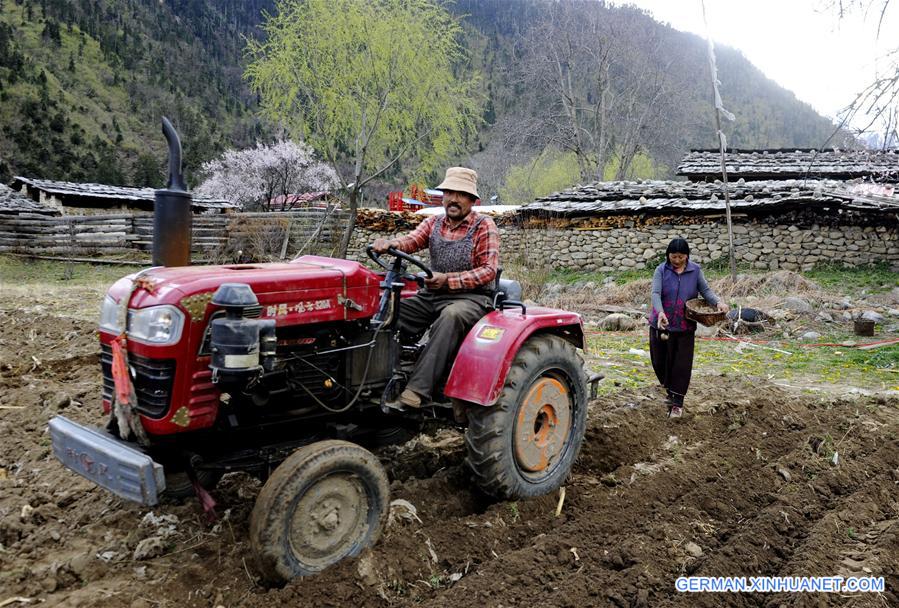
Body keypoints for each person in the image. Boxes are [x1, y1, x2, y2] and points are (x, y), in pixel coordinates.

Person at [371, 167, 499, 409]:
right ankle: (379, 376)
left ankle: (418, 390)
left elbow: (488, 271)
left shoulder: (484, 225)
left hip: (472, 299)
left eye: (461, 194)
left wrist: (448, 280)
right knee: (385, 313)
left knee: (450, 317)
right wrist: (389, 244)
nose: (453, 198)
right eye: (449, 192)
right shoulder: (434, 223)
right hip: (432, 295)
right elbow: (411, 240)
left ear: (473, 200)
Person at [648, 238, 727, 418]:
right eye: (673, 257)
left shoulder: (695, 270)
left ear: (687, 256)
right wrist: (660, 312)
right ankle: (669, 391)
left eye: (681, 257)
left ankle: (677, 403)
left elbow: (705, 291)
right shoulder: (661, 270)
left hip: (684, 326)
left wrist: (718, 302)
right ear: (668, 255)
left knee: (681, 365)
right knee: (660, 362)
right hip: (661, 325)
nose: (676, 261)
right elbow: (655, 293)